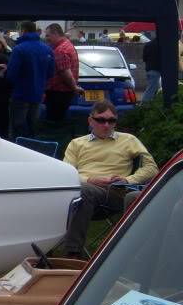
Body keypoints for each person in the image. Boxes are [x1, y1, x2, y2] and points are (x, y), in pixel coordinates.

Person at [62, 100, 158, 258]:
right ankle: (42, 248)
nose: (106, 125)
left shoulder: (128, 140)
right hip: (81, 190)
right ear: (90, 121)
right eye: (101, 120)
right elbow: (67, 172)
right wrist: (90, 179)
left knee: (84, 192)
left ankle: (72, 252)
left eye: (111, 120)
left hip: (114, 193)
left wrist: (127, 180)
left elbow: (152, 168)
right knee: (49, 193)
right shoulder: (77, 144)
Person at [5, 21, 54, 139]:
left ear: (23, 31)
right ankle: (32, 150)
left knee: (18, 128)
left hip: (20, 95)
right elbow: (50, 73)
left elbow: (11, 75)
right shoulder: (47, 49)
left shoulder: (19, 49)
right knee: (33, 127)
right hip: (37, 95)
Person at [43, 23, 82, 122]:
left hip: (58, 93)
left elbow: (65, 72)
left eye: (48, 35)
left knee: (54, 123)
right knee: (60, 120)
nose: (46, 38)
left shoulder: (60, 50)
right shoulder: (68, 44)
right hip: (63, 93)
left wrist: (74, 87)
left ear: (55, 33)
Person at [142, 33, 161, 102]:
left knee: (156, 88)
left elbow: (144, 58)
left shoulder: (148, 44)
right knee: (150, 90)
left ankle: (153, 105)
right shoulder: (161, 45)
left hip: (149, 69)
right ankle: (143, 106)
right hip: (156, 70)